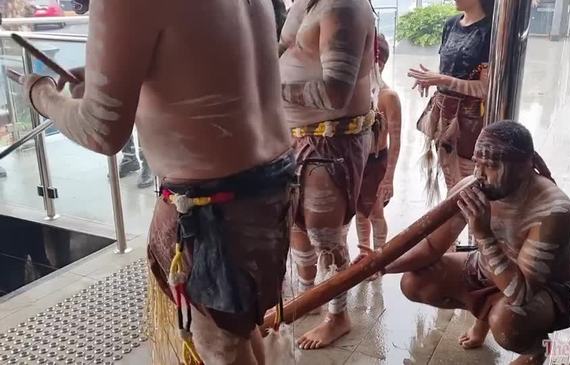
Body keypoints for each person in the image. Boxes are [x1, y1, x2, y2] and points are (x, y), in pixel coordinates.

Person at [22, 0, 294, 363]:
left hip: (213, 205)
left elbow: (101, 129)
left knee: (220, 346)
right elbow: (202, 66)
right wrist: (115, 79)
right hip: (271, 183)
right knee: (238, 331)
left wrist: (42, 96)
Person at [386, 121, 570, 365]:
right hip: (490, 267)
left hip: (541, 289)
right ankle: (483, 317)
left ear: (524, 167)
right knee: (415, 282)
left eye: (491, 166)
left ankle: (535, 349)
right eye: (477, 162)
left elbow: (520, 293)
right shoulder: (476, 186)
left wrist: (482, 233)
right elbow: (432, 246)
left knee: (508, 321)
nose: (479, 174)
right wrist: (383, 266)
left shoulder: (553, 212)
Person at [279, 0, 376, 350]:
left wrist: (262, 90)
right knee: (296, 223)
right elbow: (282, 52)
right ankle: (309, 296)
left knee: (326, 235)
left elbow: (336, 93)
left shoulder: (342, 6)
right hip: (295, 135)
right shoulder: (305, 3)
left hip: (330, 141)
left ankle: (338, 316)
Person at [408, 0, 493, 196]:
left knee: (467, 190)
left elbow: (483, 89)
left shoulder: (488, 31)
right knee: (451, 186)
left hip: (468, 122)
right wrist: (432, 80)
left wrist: (440, 79)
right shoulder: (451, 24)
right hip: (444, 118)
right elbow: (450, 71)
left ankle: (470, 226)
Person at [354, 34, 402, 277]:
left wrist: (389, 177)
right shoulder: (355, 95)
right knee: (359, 211)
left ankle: (380, 257)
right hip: (357, 162)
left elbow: (395, 140)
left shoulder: (388, 96)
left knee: (375, 211)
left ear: (379, 63)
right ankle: (364, 253)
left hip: (376, 162)